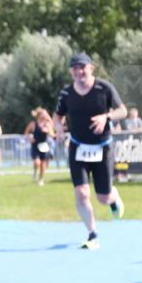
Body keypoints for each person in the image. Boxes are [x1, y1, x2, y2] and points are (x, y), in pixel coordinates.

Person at [53, 52, 128, 250]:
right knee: (82, 192)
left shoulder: (104, 88)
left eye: (82, 67)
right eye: (74, 68)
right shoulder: (66, 94)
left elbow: (123, 111)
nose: (79, 71)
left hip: (102, 148)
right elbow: (57, 116)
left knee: (103, 197)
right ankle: (92, 234)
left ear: (91, 68)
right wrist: (59, 128)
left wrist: (106, 117)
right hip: (77, 147)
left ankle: (113, 196)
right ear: (71, 71)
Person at [24, 107, 55, 185]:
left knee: (43, 163)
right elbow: (26, 133)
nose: (45, 116)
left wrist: (48, 131)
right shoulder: (33, 124)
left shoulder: (47, 124)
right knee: (37, 162)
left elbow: (52, 134)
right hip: (35, 145)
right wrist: (30, 138)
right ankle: (35, 172)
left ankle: (41, 179)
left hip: (44, 145)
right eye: (43, 114)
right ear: (39, 115)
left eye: (46, 114)